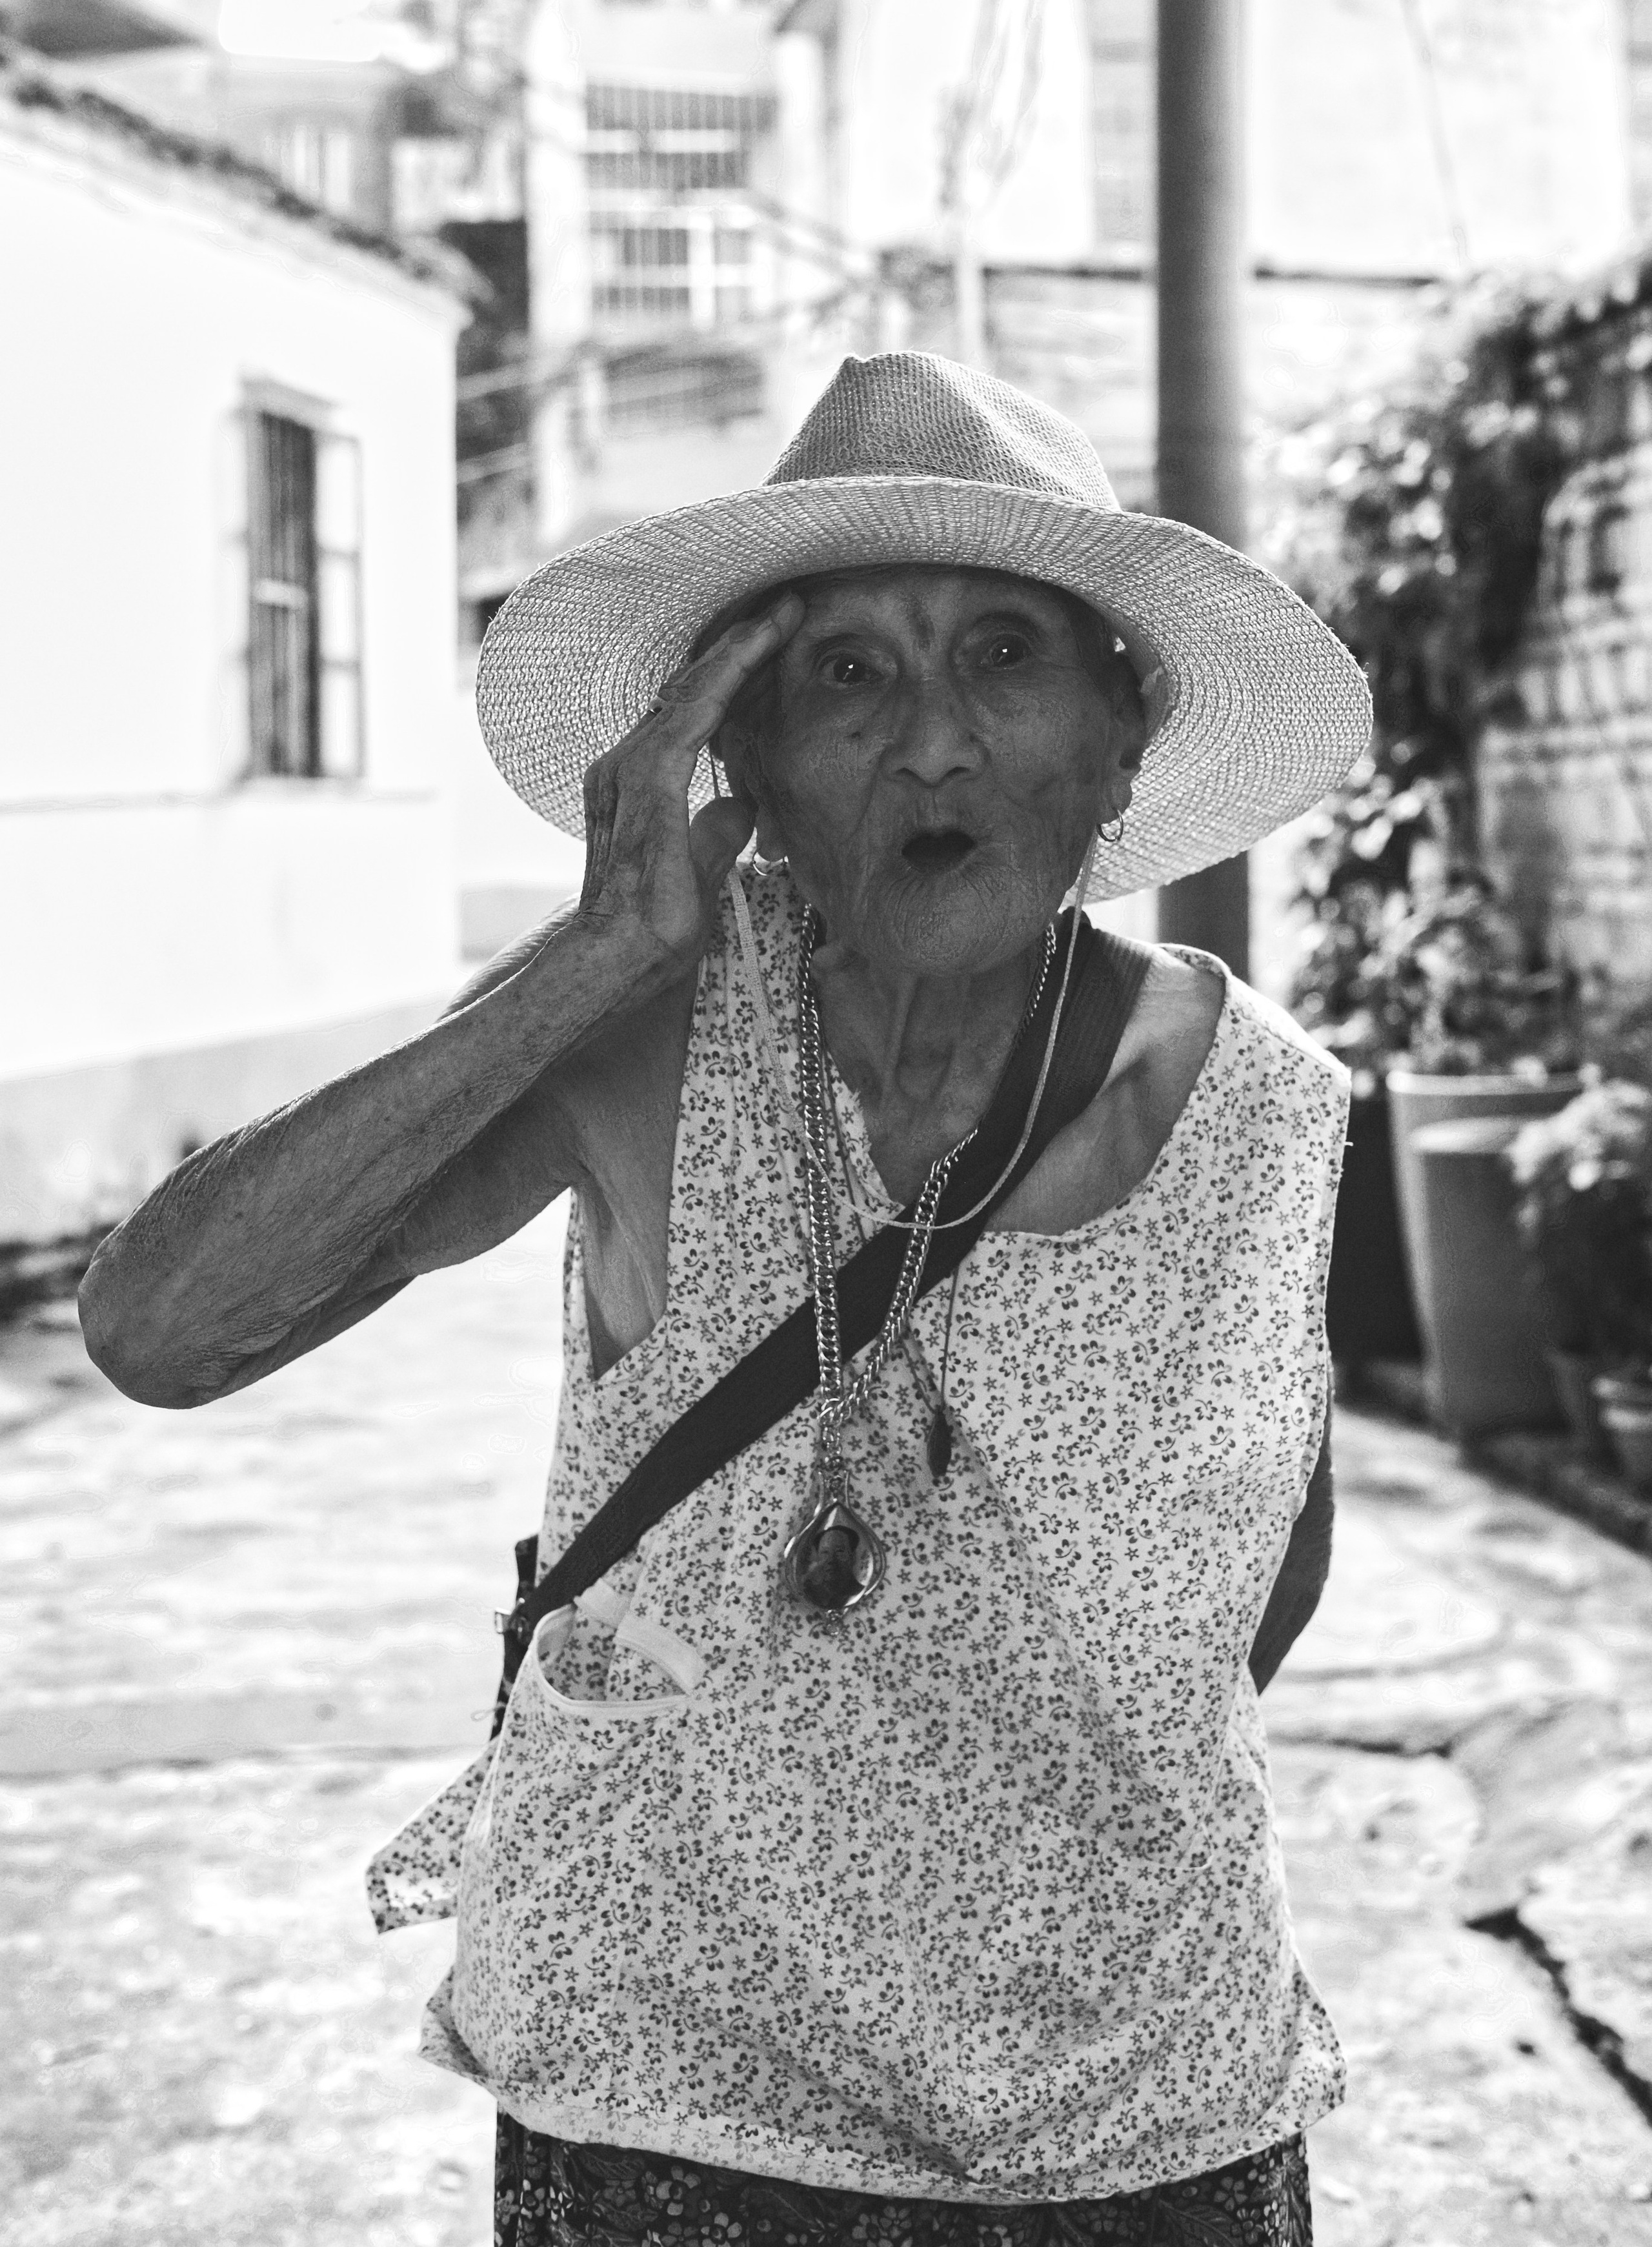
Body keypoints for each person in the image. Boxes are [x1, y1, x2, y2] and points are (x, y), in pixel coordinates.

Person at [81, 352, 1373, 2247]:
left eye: (1002, 656)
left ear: (1121, 735)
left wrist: (998, 1819)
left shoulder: (1266, 1109)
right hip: (675, 2110)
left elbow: (1268, 1560)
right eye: (846, 675)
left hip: (1135, 2114)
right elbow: (163, 1328)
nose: (931, 741)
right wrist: (592, 954)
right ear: (743, 762)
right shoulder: (647, 1035)